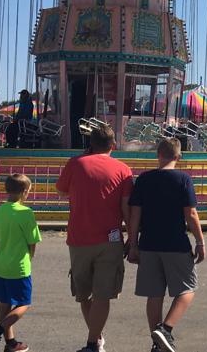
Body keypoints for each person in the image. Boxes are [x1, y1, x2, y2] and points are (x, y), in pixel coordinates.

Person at [56, 124, 134, 352]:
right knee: (103, 295)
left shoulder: (75, 163)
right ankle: (94, 340)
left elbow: (61, 191)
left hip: (79, 238)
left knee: (83, 294)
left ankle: (94, 341)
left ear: (90, 144)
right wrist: (132, 237)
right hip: (110, 240)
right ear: (113, 145)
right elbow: (126, 207)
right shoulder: (123, 169)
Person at [128, 138, 206, 352]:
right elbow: (190, 213)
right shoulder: (183, 180)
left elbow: (135, 214)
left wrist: (132, 243)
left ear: (158, 154)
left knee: (154, 294)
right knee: (187, 289)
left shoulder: (143, 180)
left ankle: (157, 343)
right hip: (176, 243)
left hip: (148, 244)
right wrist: (200, 241)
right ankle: (166, 330)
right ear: (178, 157)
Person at [0, 174, 41, 352]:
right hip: (19, 266)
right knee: (24, 303)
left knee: (5, 302)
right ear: (25, 192)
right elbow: (32, 242)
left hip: (0, 264)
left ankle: (10, 341)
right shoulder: (26, 213)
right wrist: (30, 257)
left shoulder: (0, 211)